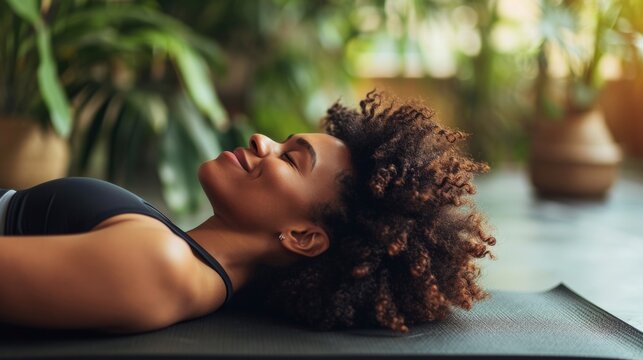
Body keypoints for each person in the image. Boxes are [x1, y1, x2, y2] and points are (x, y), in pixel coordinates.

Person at [0, 90, 495, 334]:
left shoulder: (160, 267)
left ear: (302, 236)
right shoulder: (176, 257)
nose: (262, 141)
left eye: (290, 159)